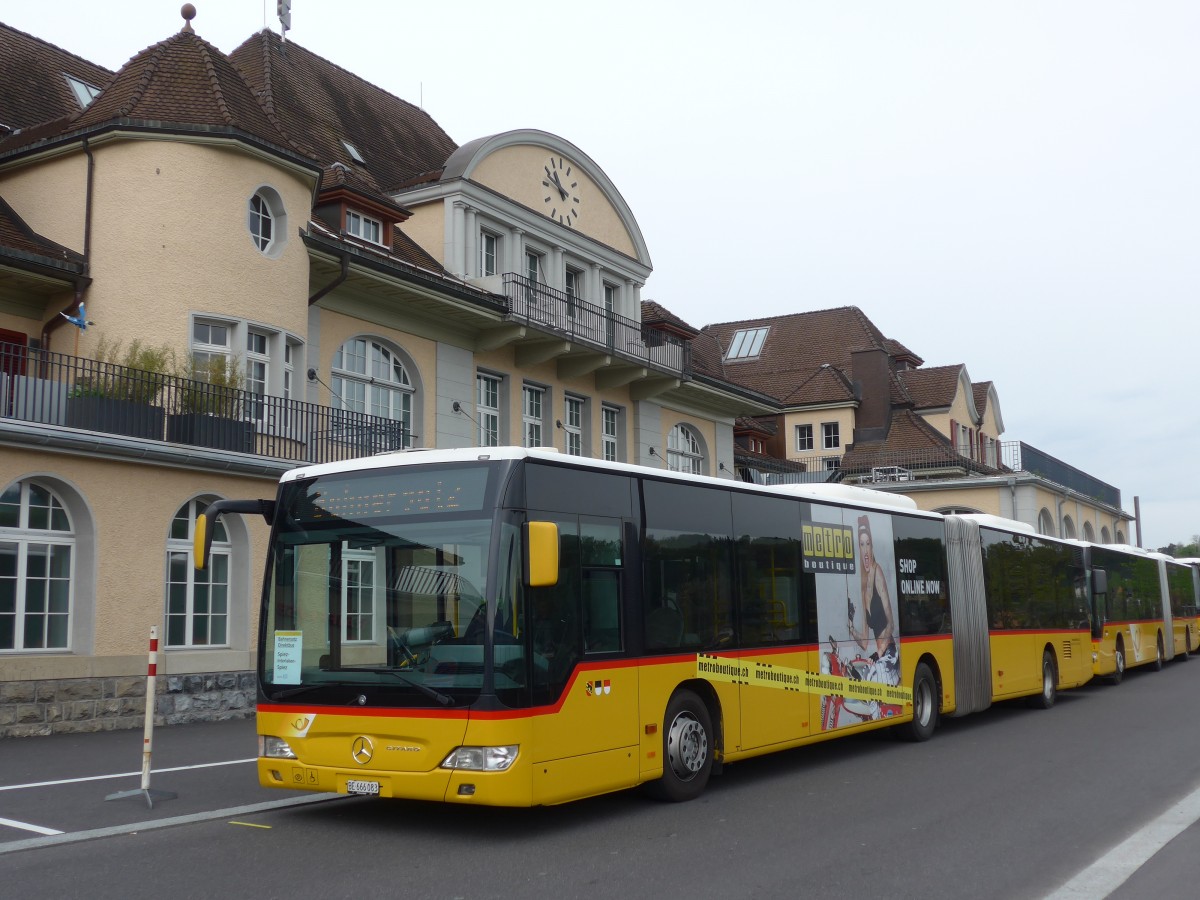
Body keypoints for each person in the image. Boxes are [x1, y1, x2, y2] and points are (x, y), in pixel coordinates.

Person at [847, 515, 899, 685]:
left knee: (870, 679)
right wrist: (850, 626)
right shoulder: (863, 589)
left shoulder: (878, 572)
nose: (865, 550)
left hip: (889, 654)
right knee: (855, 676)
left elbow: (891, 624)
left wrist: (878, 654)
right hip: (879, 657)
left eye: (868, 543)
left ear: (872, 546)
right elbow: (864, 642)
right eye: (861, 544)